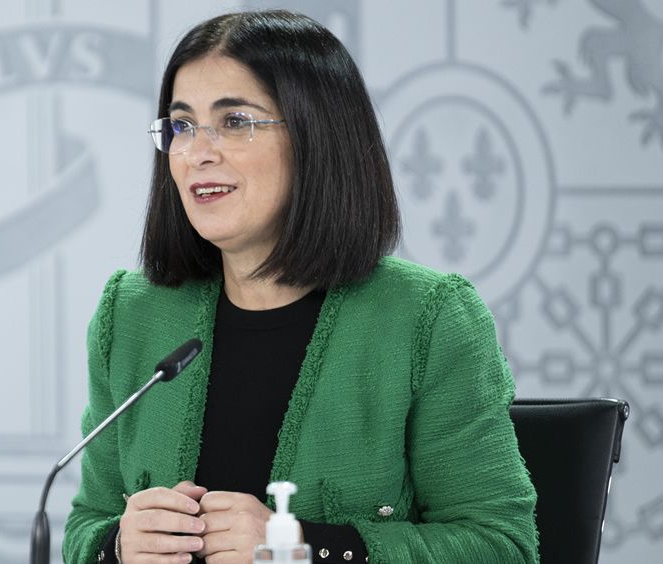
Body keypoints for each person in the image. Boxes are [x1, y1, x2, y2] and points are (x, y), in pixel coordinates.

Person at [63, 9, 538, 564]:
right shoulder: (131, 314)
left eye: (235, 121)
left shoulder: (428, 319)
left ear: (317, 137)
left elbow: (502, 546)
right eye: (182, 126)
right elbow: (86, 522)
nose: (197, 153)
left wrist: (308, 548)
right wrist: (117, 545)